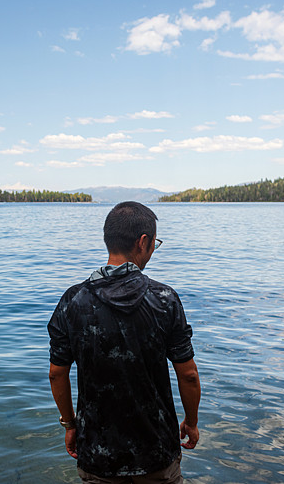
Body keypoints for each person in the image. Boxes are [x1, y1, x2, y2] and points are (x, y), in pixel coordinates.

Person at [48, 201, 201, 483]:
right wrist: (190, 422)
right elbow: (188, 375)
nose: (153, 249)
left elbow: (57, 373)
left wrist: (70, 425)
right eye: (155, 243)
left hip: (97, 454)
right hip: (156, 454)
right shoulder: (165, 299)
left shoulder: (73, 301)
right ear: (143, 242)